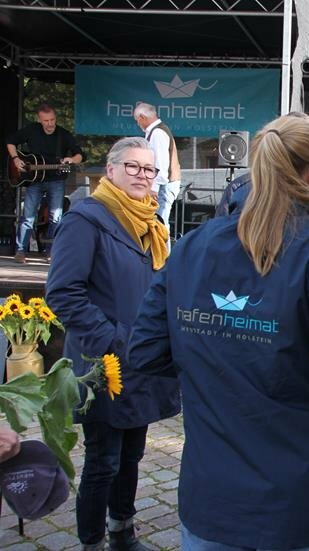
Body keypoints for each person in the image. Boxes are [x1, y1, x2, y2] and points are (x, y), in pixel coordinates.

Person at [127, 115, 309, 551]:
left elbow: (146, 350)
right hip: (296, 500)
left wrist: (218, 351)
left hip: (214, 497)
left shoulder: (193, 245)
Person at [46, 137, 181, 551]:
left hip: (142, 362)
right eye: (133, 167)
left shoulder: (151, 222)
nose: (143, 176)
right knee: (103, 460)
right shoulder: (87, 220)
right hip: (102, 362)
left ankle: (123, 529)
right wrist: (114, 339)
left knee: (132, 454)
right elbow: (63, 293)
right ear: (111, 170)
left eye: (149, 169)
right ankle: (92, 540)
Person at [6, 103, 83, 264]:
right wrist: (16, 159)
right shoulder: (32, 130)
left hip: (56, 180)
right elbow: (10, 141)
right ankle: (20, 251)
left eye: (52, 120)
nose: (50, 124)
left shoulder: (63, 135)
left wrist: (71, 159)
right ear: (39, 120)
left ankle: (51, 252)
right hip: (34, 180)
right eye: (46, 121)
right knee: (28, 217)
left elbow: (80, 155)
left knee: (56, 217)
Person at [133, 102, 181, 233]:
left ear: (142, 117)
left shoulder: (158, 133)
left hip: (163, 185)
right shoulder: (158, 131)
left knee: (159, 223)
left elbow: (160, 163)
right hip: (164, 184)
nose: (138, 123)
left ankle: (163, 247)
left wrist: (154, 188)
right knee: (159, 223)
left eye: (137, 120)